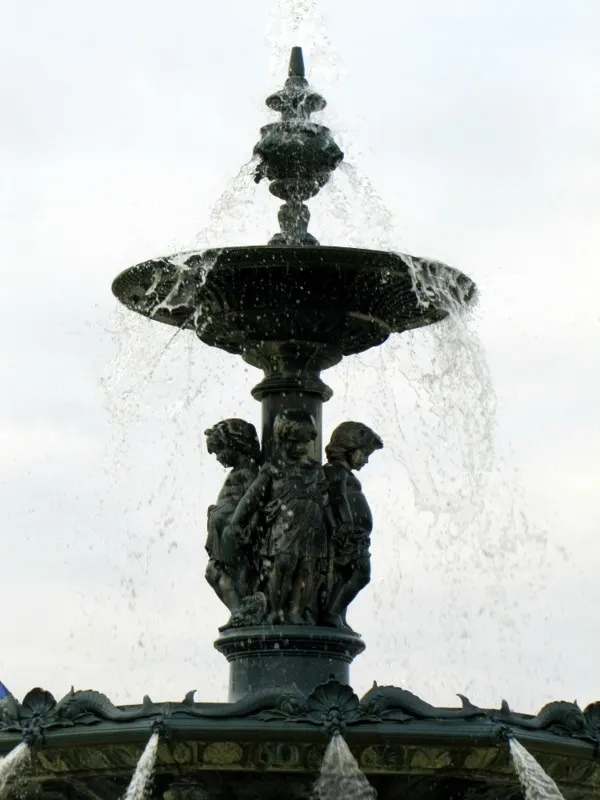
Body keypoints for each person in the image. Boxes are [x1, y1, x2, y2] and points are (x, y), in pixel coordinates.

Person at [227, 409, 329, 625]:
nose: (300, 447)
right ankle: (275, 611)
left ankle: (296, 611)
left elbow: (325, 499)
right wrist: (236, 522)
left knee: (307, 569)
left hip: (312, 527)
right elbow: (251, 497)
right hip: (284, 526)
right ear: (282, 440)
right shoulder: (273, 468)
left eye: (305, 442)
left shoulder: (316, 470)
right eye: (294, 442)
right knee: (283, 564)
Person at [323, 421, 383, 630]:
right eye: (364, 454)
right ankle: (331, 614)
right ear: (348, 447)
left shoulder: (345, 473)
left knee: (346, 575)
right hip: (348, 534)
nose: (366, 460)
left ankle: (338, 616)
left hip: (356, 535)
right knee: (360, 573)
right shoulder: (335, 470)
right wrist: (346, 524)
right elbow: (337, 497)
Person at [204, 418, 262, 627]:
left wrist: (250, 527)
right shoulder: (240, 471)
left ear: (236, 444)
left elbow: (256, 501)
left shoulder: (249, 470)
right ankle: (239, 610)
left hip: (234, 533)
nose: (218, 457)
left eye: (220, 451)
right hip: (222, 532)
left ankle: (243, 609)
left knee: (234, 574)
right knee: (213, 573)